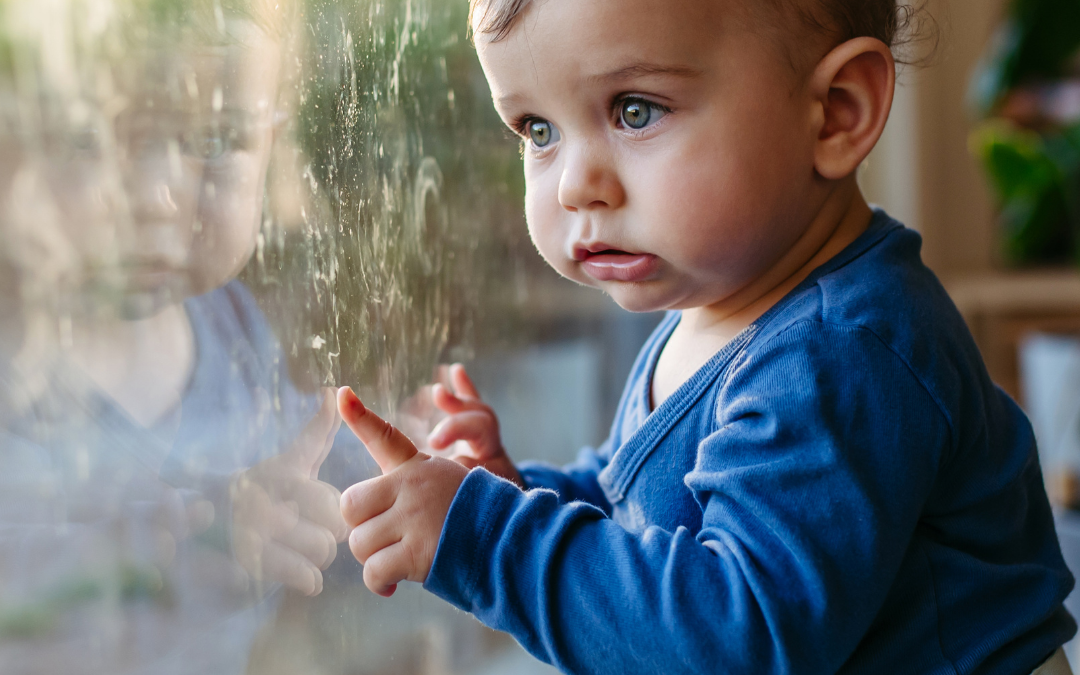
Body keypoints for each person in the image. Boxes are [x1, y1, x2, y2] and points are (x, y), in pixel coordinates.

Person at [333, 0, 1079, 673]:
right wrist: (514, 493)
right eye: (538, 130)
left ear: (836, 113)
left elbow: (734, 640)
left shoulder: (843, 352)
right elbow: (654, 507)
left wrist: (491, 539)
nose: (572, 185)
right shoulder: (724, 307)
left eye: (633, 111)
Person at [0, 4, 359, 673]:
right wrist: (193, 547)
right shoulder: (19, 368)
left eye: (219, 139)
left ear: (271, 145)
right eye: (89, 138)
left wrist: (387, 465)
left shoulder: (232, 325)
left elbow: (285, 473)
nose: (158, 195)